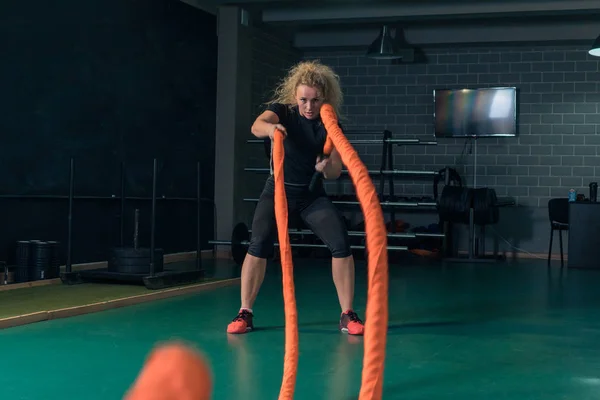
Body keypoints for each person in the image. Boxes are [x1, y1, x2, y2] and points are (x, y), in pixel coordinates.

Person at [226, 60, 365, 336]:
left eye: (315, 100)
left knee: (341, 242)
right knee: (258, 243)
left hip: (310, 196)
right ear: (295, 97)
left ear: (324, 98)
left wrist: (327, 168)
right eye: (304, 100)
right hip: (277, 190)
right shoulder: (283, 112)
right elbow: (257, 125)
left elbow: (336, 170)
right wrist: (272, 130)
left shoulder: (329, 123)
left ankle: (347, 314)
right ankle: (245, 312)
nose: (309, 107)